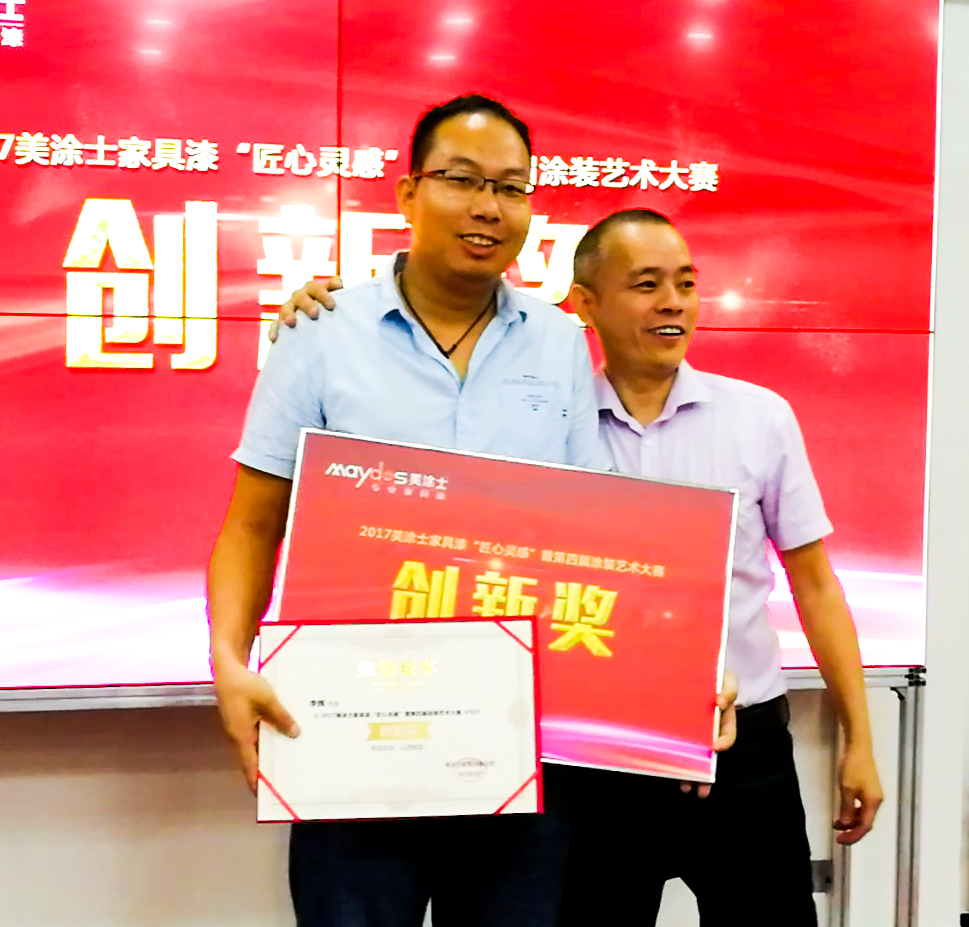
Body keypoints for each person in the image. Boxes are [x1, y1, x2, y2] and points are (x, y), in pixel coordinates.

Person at [273, 208, 884, 926]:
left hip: (740, 750)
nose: (673, 303)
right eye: (646, 285)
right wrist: (330, 313)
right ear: (585, 304)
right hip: (596, 762)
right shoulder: (545, 428)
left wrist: (859, 739)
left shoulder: (761, 418)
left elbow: (817, 586)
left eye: (686, 283)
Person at [207, 93, 609, 927]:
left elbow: (593, 532)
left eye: (512, 187)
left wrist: (680, 666)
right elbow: (251, 524)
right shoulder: (323, 330)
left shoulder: (560, 342)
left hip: (513, 735)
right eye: (462, 179)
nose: (489, 207)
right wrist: (228, 661)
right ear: (408, 193)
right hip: (351, 726)